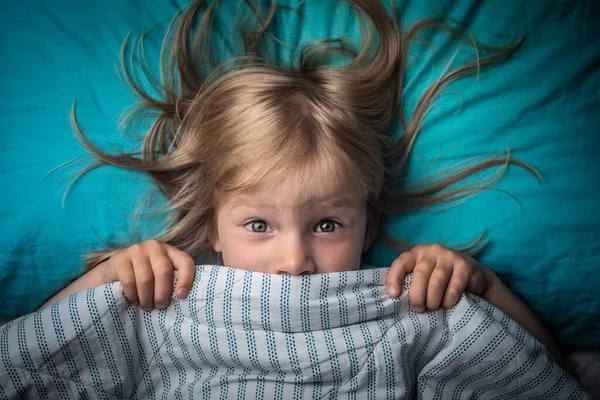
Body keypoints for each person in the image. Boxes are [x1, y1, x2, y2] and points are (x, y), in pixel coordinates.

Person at [41, 0, 563, 365]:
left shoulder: (404, 304)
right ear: (214, 230)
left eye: (328, 224)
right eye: (259, 224)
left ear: (368, 226)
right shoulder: (170, 301)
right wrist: (109, 278)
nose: (294, 261)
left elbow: (543, 371)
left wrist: (481, 285)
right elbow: (29, 358)